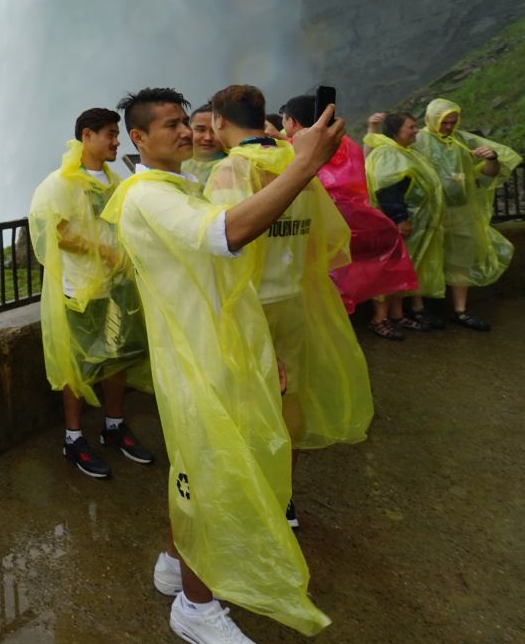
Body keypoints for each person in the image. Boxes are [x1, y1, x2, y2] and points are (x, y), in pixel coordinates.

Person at [101, 87, 343, 643]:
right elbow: (227, 233)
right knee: (208, 481)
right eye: (169, 124)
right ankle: (196, 606)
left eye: (185, 121)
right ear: (138, 138)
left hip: (217, 350)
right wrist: (303, 164)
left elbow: (223, 279)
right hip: (195, 359)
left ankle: (174, 563)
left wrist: (261, 350)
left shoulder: (180, 185)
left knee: (197, 470)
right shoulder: (147, 195)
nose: (186, 131)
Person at [207, 86, 372, 531]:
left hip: (249, 305)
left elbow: (224, 248)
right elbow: (328, 237)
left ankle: (251, 501)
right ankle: (284, 497)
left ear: (219, 120)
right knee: (290, 396)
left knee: (246, 404)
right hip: (293, 300)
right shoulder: (296, 163)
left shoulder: (231, 170)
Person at [29, 107, 153, 481]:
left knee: (117, 356)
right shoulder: (62, 182)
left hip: (114, 286)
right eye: (110, 134)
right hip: (78, 289)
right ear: (87, 135)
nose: (117, 141)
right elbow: (56, 232)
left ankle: (113, 426)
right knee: (77, 363)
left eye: (116, 134)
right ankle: (73, 437)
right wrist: (105, 252)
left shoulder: (114, 182)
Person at [279, 96, 420, 331]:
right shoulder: (346, 143)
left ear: (292, 122)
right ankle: (373, 320)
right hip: (358, 218)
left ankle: (327, 328)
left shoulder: (295, 148)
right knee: (359, 270)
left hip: (318, 223)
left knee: (323, 278)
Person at [405, 99, 520, 330]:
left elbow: (489, 175)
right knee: (421, 258)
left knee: (461, 261)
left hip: (459, 212)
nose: (449, 127)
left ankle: (460, 311)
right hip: (427, 213)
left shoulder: (463, 141)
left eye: (453, 122)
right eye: (444, 122)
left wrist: (492, 158)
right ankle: (418, 308)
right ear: (431, 119)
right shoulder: (416, 141)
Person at [363, 112, 448, 334]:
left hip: (405, 223)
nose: (416, 130)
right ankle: (379, 319)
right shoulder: (388, 153)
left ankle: (397, 315)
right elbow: (387, 188)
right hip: (392, 224)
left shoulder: (402, 151)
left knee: (400, 270)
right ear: (395, 131)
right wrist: (400, 218)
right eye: (411, 127)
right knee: (388, 270)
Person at [181, 103, 224, 187]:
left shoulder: (233, 167)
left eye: (215, 131)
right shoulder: (174, 164)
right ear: (188, 130)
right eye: (201, 130)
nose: (208, 138)